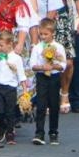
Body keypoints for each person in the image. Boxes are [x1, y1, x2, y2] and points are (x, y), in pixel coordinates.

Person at [27, 16, 68, 146]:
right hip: (42, 77)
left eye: (46, 34)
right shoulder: (37, 48)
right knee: (41, 105)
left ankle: (53, 132)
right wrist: (41, 67)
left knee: (54, 105)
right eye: (41, 34)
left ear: (52, 33)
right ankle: (39, 132)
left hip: (54, 77)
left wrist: (54, 66)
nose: (43, 37)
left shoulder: (58, 47)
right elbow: (32, 64)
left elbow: (63, 64)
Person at [0, 28, 28, 144]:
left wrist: (25, 90)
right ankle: (2, 127)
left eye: (1, 45)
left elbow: (21, 75)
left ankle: (10, 133)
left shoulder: (17, 58)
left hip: (10, 89)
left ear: (10, 45)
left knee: (10, 112)